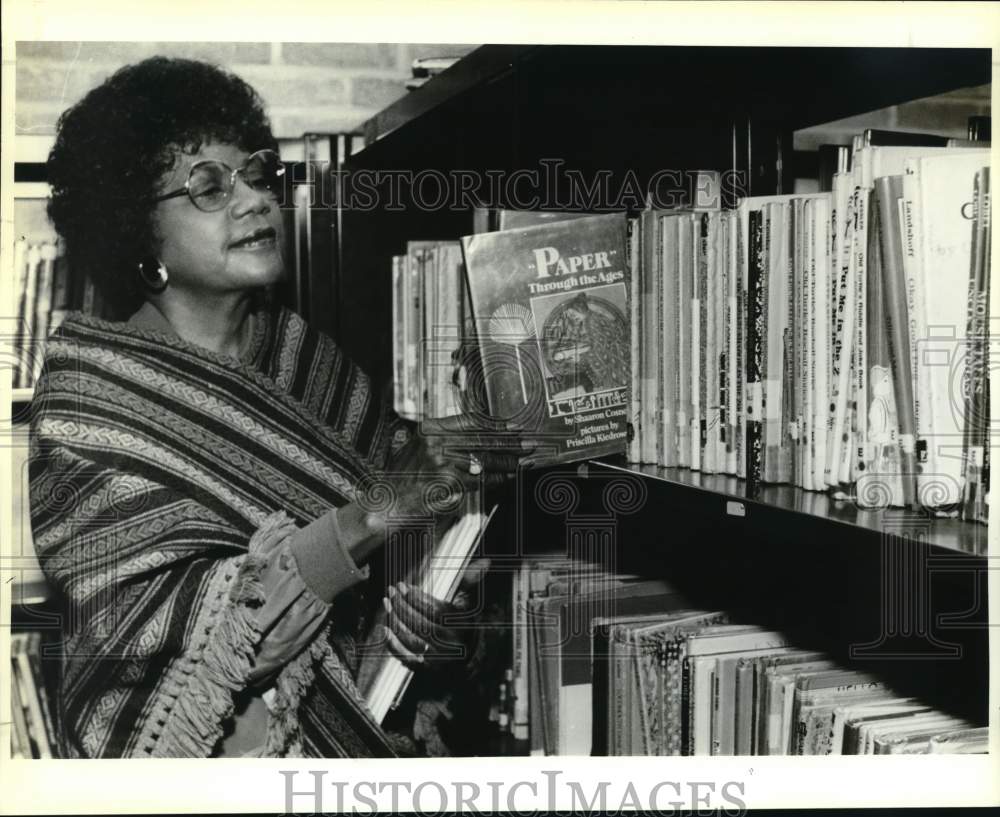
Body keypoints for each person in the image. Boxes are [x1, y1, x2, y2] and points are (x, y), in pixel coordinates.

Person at [32, 55, 518, 758]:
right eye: (207, 186)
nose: (256, 199)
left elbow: (401, 578)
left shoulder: (314, 368)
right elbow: (152, 656)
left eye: (257, 174)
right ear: (138, 231)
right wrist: (376, 510)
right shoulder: (92, 401)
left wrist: (441, 633)